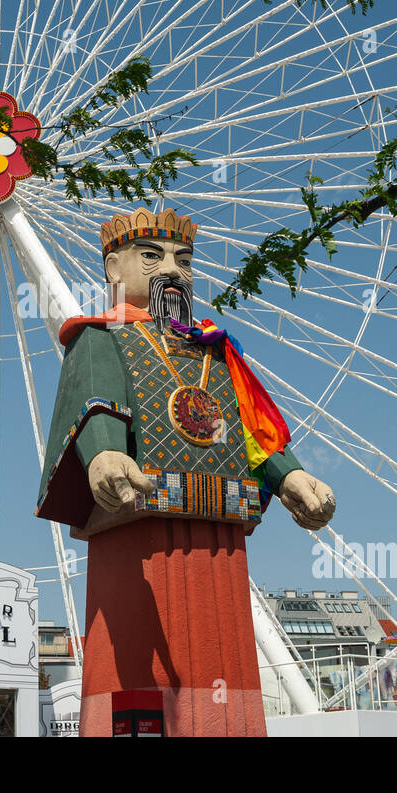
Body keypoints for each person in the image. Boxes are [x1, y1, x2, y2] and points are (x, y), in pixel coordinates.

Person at [36, 207, 335, 736]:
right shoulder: (99, 338)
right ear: (112, 269)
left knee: (227, 667)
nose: (172, 270)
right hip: (138, 523)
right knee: (138, 688)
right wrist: (104, 454)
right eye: (151, 256)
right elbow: (98, 403)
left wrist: (288, 476)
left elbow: (249, 428)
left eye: (184, 259)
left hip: (220, 523)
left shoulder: (217, 352)